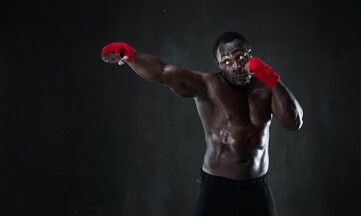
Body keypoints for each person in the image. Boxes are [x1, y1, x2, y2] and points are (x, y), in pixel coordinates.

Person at [101, 31, 303, 216]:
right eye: (226, 61)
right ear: (219, 65)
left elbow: (294, 122)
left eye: (240, 57)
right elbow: (163, 72)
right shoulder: (208, 86)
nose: (235, 66)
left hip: (258, 189)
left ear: (251, 54)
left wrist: (270, 76)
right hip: (217, 189)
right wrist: (131, 55)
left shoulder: (266, 88)